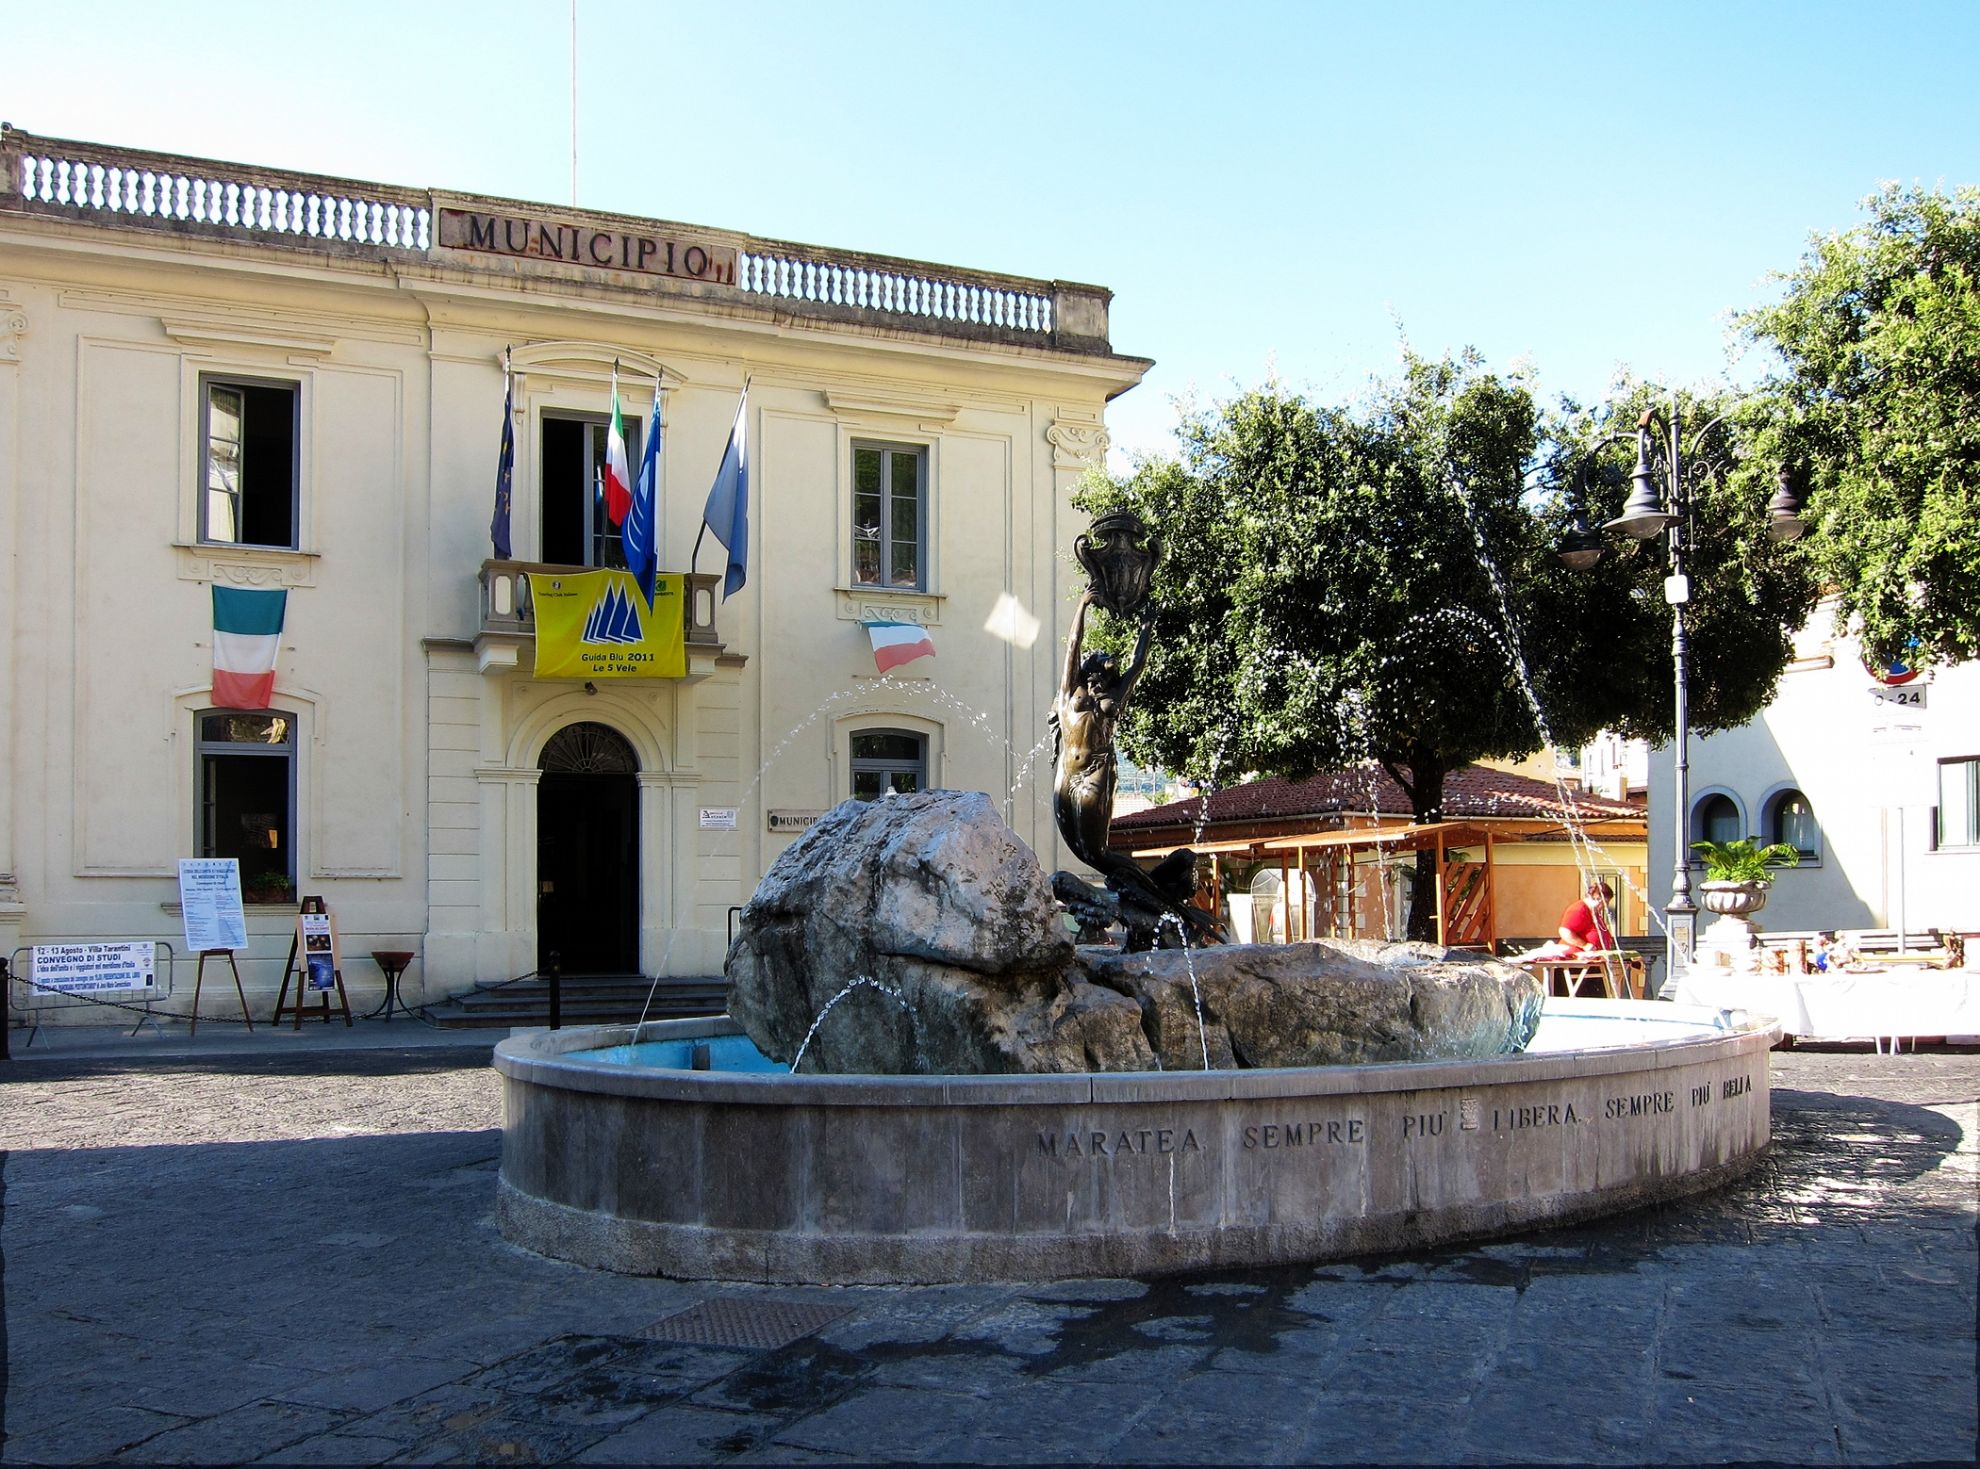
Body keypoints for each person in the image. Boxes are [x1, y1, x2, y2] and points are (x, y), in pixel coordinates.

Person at [1556, 880, 1617, 956]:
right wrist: (1584, 945)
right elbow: (1564, 931)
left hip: (1592, 959)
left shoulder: (1594, 912)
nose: (1606, 905)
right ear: (1597, 898)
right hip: (1575, 960)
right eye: (1605, 902)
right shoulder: (1579, 909)